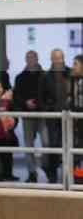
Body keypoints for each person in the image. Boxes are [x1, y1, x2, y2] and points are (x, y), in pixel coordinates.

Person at [13, 50, 46, 183]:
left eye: (33, 57)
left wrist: (39, 102)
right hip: (27, 114)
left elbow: (48, 94)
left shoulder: (45, 76)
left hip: (43, 114)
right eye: (28, 57)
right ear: (25, 59)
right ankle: (32, 173)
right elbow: (17, 96)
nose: (30, 60)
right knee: (28, 145)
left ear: (37, 59)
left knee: (47, 142)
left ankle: (47, 168)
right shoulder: (20, 77)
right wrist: (25, 103)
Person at [39, 49, 71, 183]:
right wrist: (48, 109)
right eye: (55, 58)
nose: (58, 61)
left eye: (60, 58)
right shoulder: (45, 77)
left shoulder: (71, 73)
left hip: (69, 118)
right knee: (53, 145)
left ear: (63, 58)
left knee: (69, 146)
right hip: (53, 118)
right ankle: (52, 174)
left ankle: (68, 176)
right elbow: (41, 98)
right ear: (51, 59)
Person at [69, 54, 83, 177]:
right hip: (75, 122)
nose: (73, 67)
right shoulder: (73, 80)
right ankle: (78, 178)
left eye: (75, 64)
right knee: (76, 153)